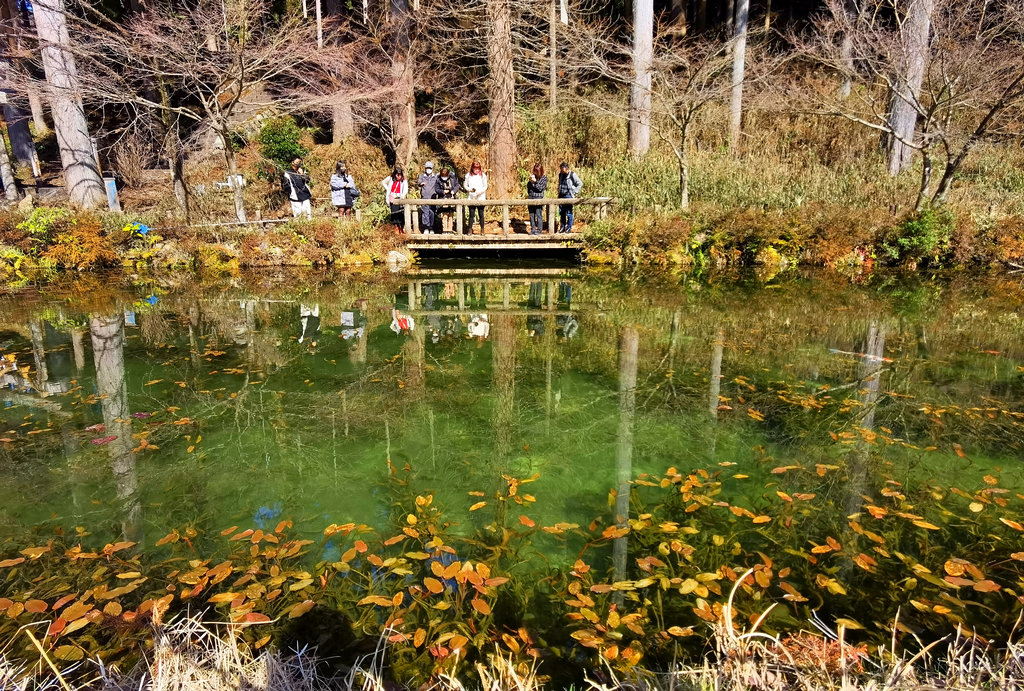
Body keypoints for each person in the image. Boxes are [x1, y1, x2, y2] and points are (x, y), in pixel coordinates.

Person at [557, 161, 582, 233]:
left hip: (568, 195)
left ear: (566, 168)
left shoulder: (572, 175)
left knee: (569, 212)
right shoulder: (560, 175)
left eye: (562, 169)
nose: (561, 171)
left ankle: (569, 227)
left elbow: (580, 183)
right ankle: (562, 226)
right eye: (561, 169)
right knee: (561, 212)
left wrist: (574, 192)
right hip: (561, 195)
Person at [463, 160, 488, 235]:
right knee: (471, 214)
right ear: (472, 168)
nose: (477, 170)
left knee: (481, 214)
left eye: (478, 169)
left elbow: (485, 186)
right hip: (472, 197)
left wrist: (480, 191)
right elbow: (465, 185)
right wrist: (469, 189)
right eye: (475, 169)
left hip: (480, 197)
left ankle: (482, 229)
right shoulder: (468, 176)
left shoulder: (483, 176)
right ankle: (470, 229)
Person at [436, 166, 461, 234]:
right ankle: (445, 230)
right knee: (444, 215)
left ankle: (450, 229)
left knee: (451, 214)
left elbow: (457, 185)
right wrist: (443, 191)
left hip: (452, 198)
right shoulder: (438, 179)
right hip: (443, 198)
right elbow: (437, 189)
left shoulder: (452, 178)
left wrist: (454, 191)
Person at [417, 161, 439, 234]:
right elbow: (419, 182)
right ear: (425, 168)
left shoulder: (435, 177)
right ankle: (426, 227)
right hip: (424, 197)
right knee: (425, 213)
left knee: (432, 213)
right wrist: (421, 183)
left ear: (432, 169)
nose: (428, 169)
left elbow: (439, 184)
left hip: (433, 198)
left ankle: (431, 227)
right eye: (427, 168)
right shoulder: (422, 176)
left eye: (430, 168)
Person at [526, 163, 548, 235]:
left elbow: (540, 188)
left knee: (539, 215)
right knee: (532, 215)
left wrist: (536, 181)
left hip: (538, 197)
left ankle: (539, 230)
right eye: (534, 171)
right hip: (531, 197)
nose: (535, 173)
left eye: (536, 171)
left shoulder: (544, 178)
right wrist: (530, 181)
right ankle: (533, 229)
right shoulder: (533, 177)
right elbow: (528, 188)